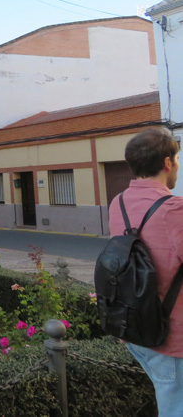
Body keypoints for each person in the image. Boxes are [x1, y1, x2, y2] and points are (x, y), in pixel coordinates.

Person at [108, 127, 183, 416]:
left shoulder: (119, 202)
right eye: (176, 159)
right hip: (171, 336)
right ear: (167, 163)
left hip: (136, 328)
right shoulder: (174, 209)